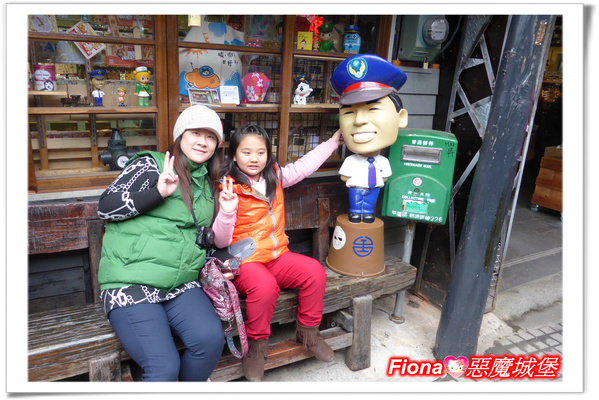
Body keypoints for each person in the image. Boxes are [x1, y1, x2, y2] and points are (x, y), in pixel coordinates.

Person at [97, 105, 228, 381]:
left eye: (210, 136)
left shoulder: (207, 182)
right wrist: (157, 193)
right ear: (180, 136)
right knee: (164, 367)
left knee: (210, 341)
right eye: (195, 133)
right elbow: (106, 206)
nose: (202, 142)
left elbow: (199, 236)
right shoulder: (152, 164)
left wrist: (222, 252)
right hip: (131, 283)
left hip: (180, 283)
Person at [212, 123, 344, 381]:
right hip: (245, 261)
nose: (254, 158)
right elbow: (219, 239)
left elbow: (304, 166)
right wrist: (226, 211)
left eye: (260, 152)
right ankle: (257, 348)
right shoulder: (227, 186)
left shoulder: (274, 176)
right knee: (265, 287)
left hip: (277, 255)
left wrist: (333, 142)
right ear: (234, 155)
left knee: (314, 272)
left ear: (268, 154)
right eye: (246, 152)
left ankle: (308, 334)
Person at [330, 54, 409, 223]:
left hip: (373, 188)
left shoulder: (382, 162)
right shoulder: (351, 160)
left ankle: (367, 213)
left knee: (369, 204)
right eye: (349, 112)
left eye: (373, 109)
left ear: (401, 118)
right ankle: (356, 212)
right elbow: (344, 176)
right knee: (356, 204)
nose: (359, 121)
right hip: (356, 188)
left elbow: (385, 177)